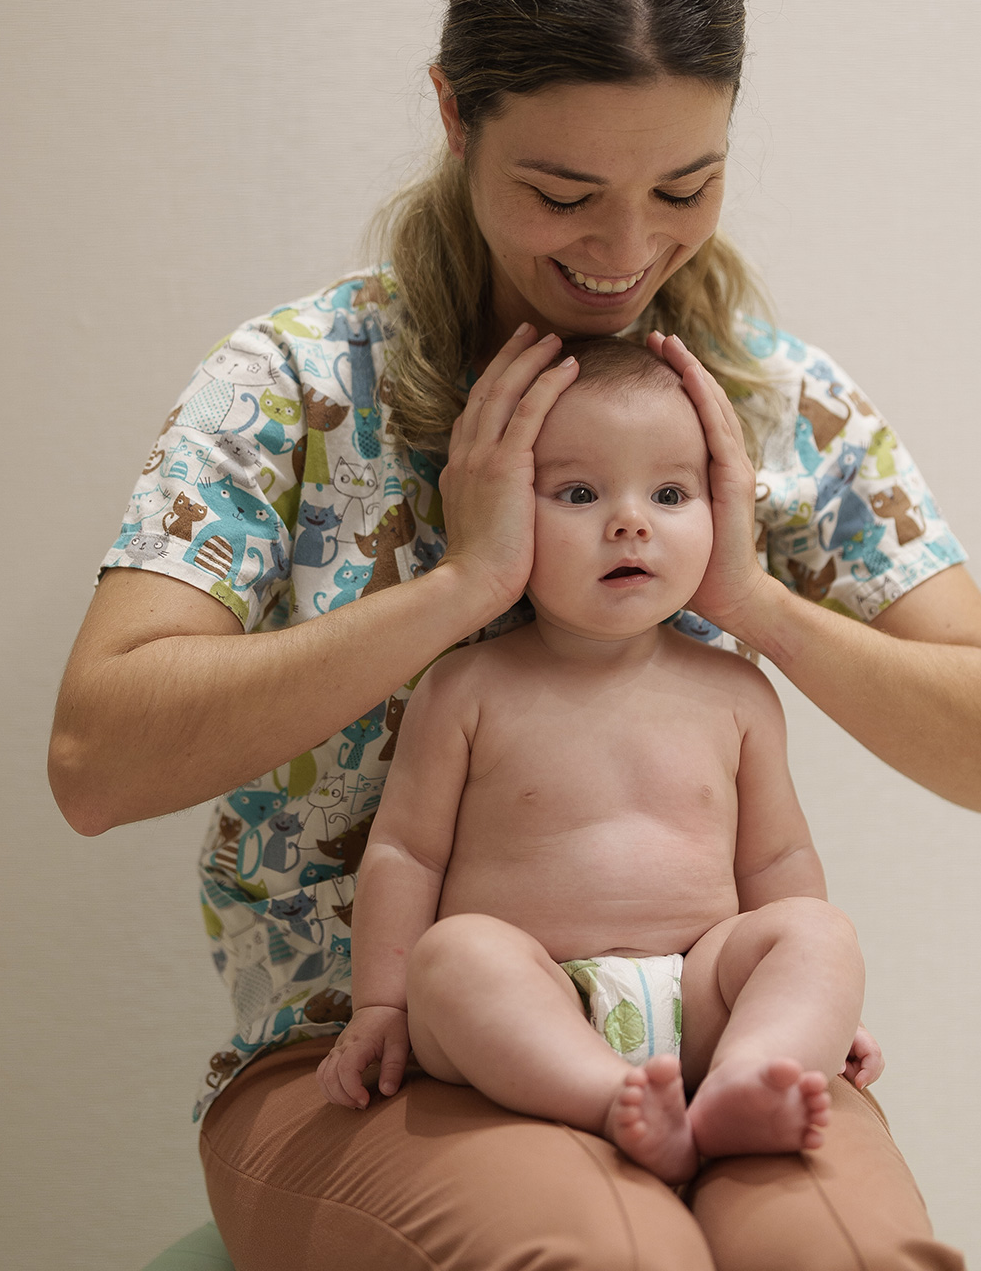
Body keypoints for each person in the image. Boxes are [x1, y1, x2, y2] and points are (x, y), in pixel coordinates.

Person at [49, 0, 981, 1271]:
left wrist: (758, 604)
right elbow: (97, 762)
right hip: (368, 1060)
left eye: (686, 185)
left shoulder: (774, 405)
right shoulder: (289, 388)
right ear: (454, 115)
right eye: (564, 190)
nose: (627, 248)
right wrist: (460, 591)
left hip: (709, 1039)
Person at [316, 337, 873, 1188]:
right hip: (534, 995)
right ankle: (609, 1098)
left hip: (700, 1000)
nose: (630, 521)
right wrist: (383, 1006)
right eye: (578, 493)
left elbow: (776, 861)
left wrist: (804, 1012)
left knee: (821, 934)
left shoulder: (737, 693)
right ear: (504, 509)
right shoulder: (467, 686)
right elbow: (406, 854)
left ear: (723, 511)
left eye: (671, 493)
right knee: (457, 955)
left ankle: (752, 1075)